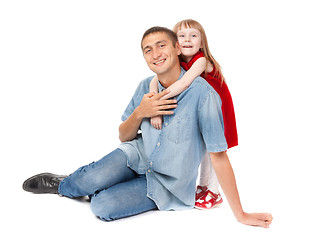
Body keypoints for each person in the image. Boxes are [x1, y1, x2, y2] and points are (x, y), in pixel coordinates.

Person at [22, 26, 272, 227]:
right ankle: (66, 184)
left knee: (102, 207)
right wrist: (141, 112)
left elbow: (218, 156)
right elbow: (124, 135)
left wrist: (240, 214)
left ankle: (90, 184)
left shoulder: (203, 96)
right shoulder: (145, 86)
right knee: (89, 178)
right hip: (137, 156)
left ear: (176, 48)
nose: (155, 54)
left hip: (167, 183)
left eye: (161, 45)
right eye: (147, 50)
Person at [148, 19, 237, 210]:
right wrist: (153, 105)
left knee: (215, 151)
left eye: (193, 35)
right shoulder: (177, 61)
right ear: (176, 44)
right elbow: (154, 80)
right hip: (199, 110)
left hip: (217, 111)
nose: (188, 40)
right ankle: (203, 187)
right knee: (201, 150)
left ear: (202, 43)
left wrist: (159, 102)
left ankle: (213, 191)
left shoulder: (201, 61)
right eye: (182, 36)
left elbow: (184, 83)